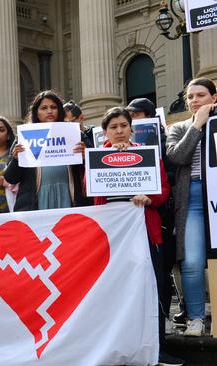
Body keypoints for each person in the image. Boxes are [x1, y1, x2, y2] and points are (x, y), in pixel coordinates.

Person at [92, 107, 181, 366]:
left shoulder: (147, 153)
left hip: (146, 232)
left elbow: (164, 190)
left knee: (154, 289)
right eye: (113, 127)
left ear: (131, 128)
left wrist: (149, 198)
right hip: (111, 237)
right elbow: (90, 188)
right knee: (115, 292)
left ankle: (158, 349)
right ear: (105, 131)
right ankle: (116, 349)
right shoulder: (98, 156)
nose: (119, 131)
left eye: (123, 125)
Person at [166, 77, 217, 337]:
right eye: (190, 97)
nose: (194, 100)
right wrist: (197, 125)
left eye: (201, 95)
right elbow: (178, 156)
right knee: (192, 261)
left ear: (214, 98)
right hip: (193, 199)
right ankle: (196, 318)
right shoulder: (178, 128)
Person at [4, 90, 87, 211]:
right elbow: (10, 178)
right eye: (44, 108)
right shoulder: (24, 137)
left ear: (59, 110)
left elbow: (93, 171)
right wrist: (16, 160)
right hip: (36, 202)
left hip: (70, 199)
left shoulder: (75, 134)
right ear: (36, 113)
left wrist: (86, 156)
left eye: (53, 107)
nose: (49, 111)